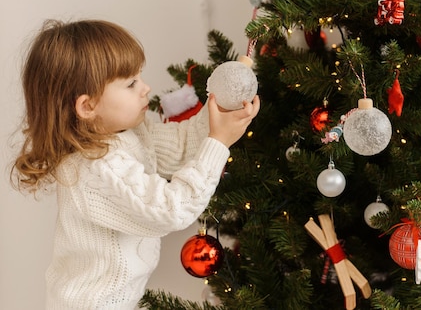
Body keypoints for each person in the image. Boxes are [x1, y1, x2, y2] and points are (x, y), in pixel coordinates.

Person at [11, 19, 260, 309]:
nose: (146, 88)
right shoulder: (97, 167)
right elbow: (171, 209)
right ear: (87, 106)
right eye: (131, 83)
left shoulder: (128, 134)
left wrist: (221, 106)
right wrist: (218, 143)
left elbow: (182, 144)